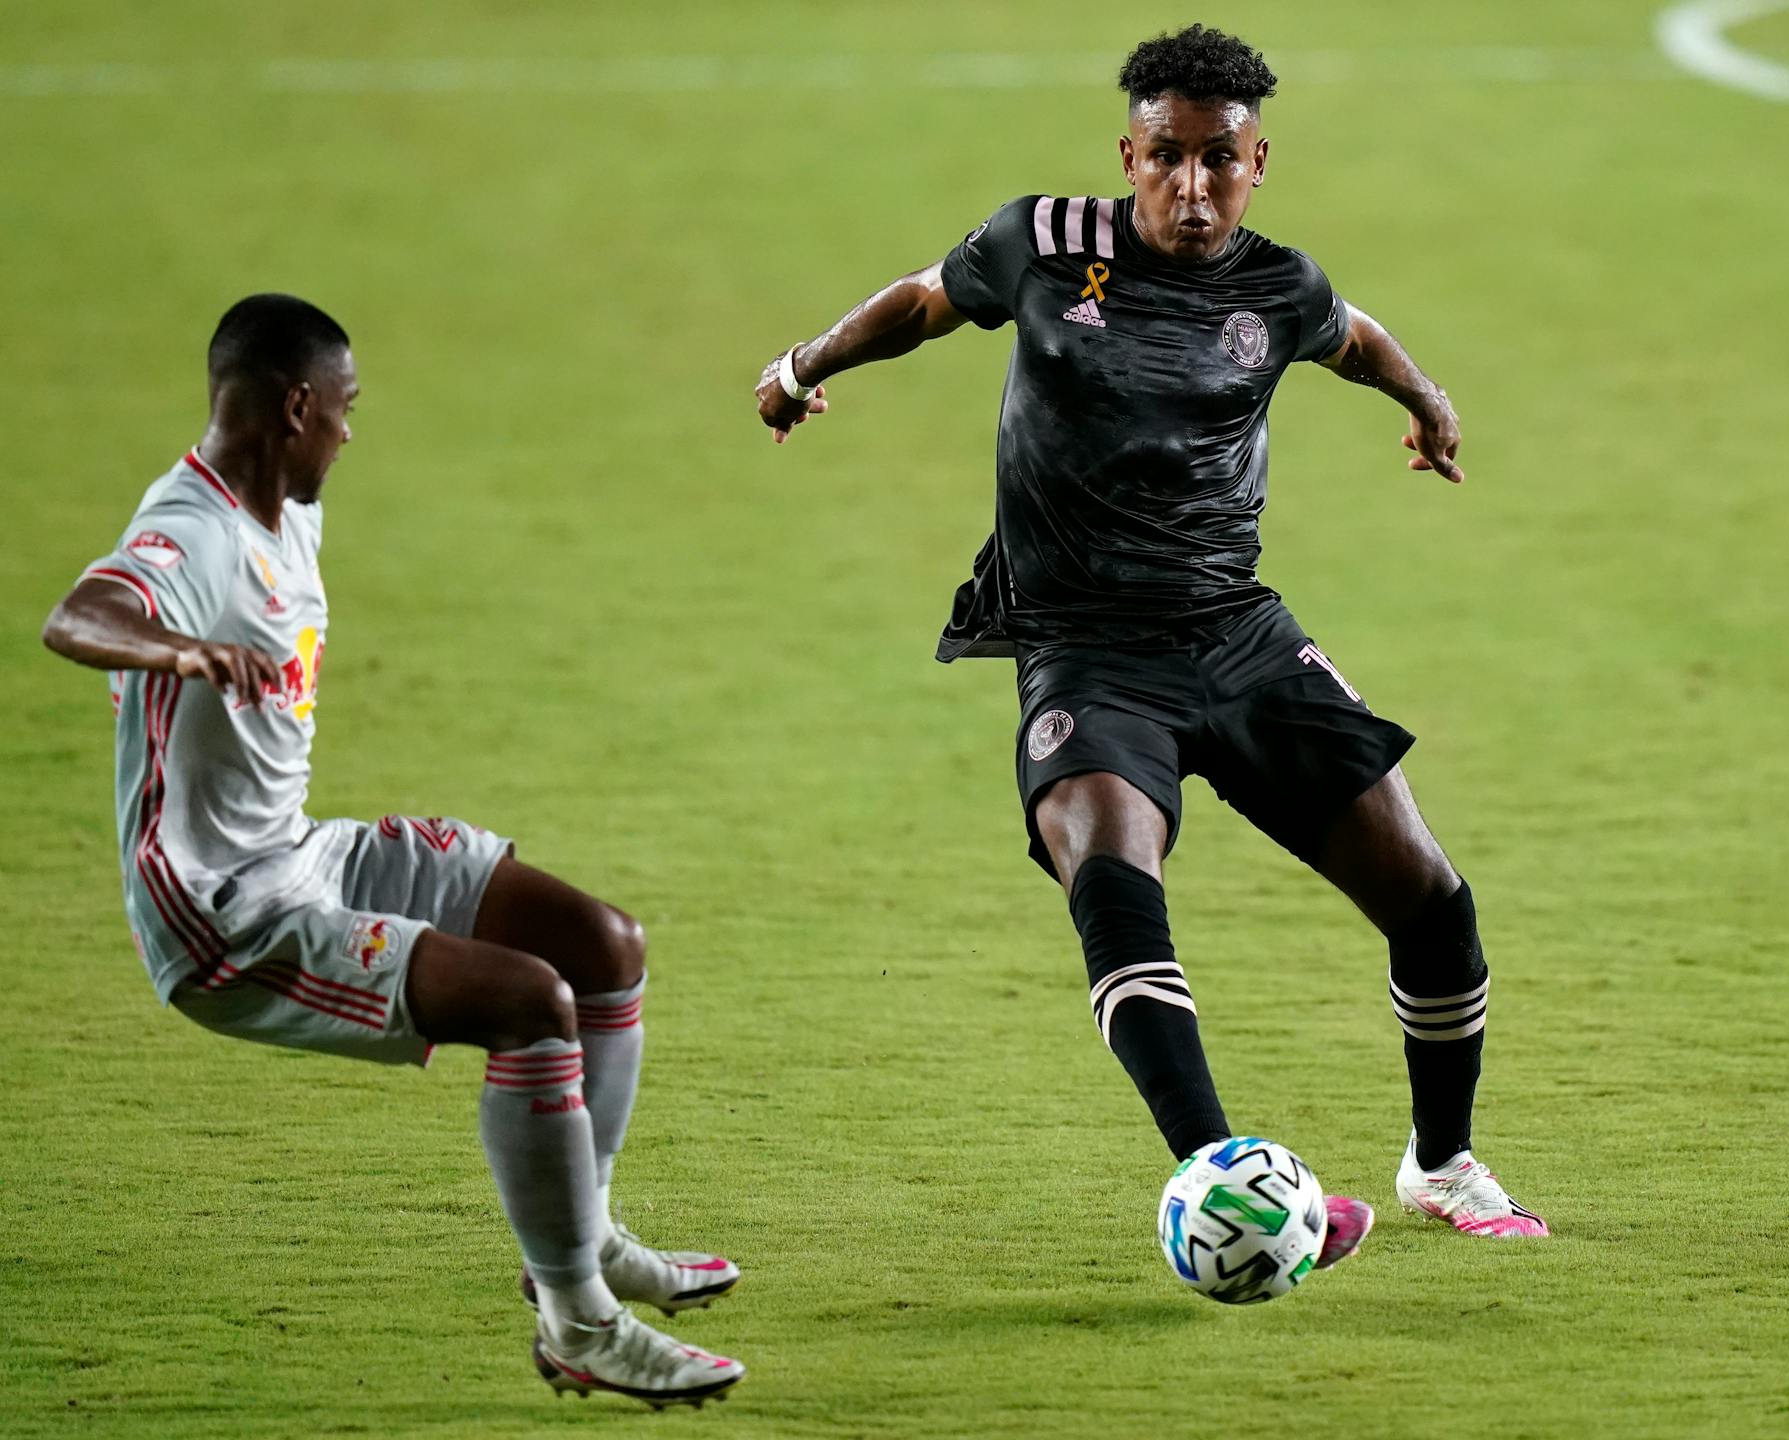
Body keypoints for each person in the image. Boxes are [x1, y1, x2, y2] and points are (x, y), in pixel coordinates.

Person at [754, 25, 1547, 1248]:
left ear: (1258, 160)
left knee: (1433, 904)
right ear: (1127, 153)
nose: (1191, 186)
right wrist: (806, 363)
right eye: (1166, 157)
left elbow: (1354, 335)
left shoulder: (1278, 287)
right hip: (1082, 646)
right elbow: (923, 300)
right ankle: (1226, 1176)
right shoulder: (1042, 244)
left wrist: (1428, 401)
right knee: (1116, 891)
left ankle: (1442, 1163)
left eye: (1219, 160)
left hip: (1236, 632)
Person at [43, 294, 747, 1408]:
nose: (350, 432)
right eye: (344, 410)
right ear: (295, 406)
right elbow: (77, 615)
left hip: (303, 852)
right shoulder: (196, 532)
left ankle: (583, 1238)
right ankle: (580, 1323)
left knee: (602, 947)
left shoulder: (287, 503)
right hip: (225, 913)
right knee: (529, 1003)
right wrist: (177, 651)